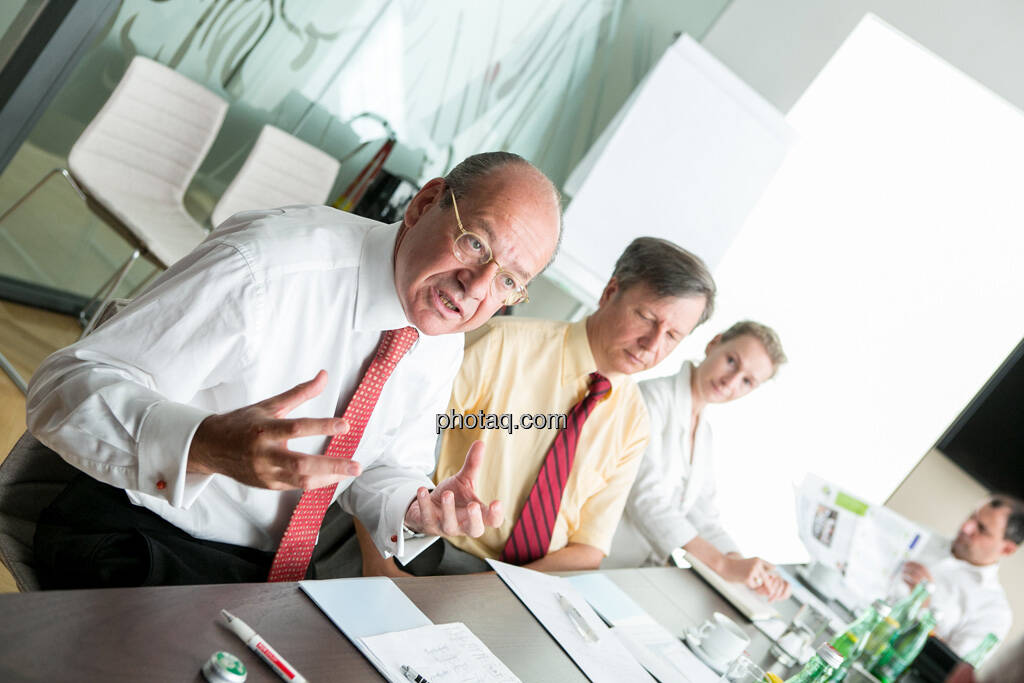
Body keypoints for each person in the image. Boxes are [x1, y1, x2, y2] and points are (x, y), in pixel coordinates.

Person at [26, 151, 562, 588]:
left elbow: (378, 467)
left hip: (266, 573)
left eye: (509, 280)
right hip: (143, 533)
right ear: (424, 204)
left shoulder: (440, 330)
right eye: (476, 243)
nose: (477, 286)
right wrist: (206, 444)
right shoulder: (269, 266)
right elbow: (63, 387)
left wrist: (417, 509)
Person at [353, 237, 716, 576]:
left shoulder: (634, 419)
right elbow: (378, 438)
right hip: (427, 549)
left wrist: (504, 597)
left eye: (672, 336)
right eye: (647, 318)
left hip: (528, 581)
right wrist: (379, 572)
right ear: (610, 292)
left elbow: (589, 548)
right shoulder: (502, 347)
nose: (652, 344)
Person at [604, 320, 791, 602]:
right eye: (731, 361)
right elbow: (645, 497)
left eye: (747, 381)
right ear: (713, 343)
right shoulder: (650, 398)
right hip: (601, 559)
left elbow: (703, 513)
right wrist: (721, 564)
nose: (731, 382)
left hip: (636, 574)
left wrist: (743, 566)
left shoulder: (704, 432)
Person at [898, 495, 1022, 657]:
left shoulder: (993, 610)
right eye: (972, 516)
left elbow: (948, 671)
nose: (966, 527)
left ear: (1007, 549)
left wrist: (922, 607)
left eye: (982, 529)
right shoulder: (918, 534)